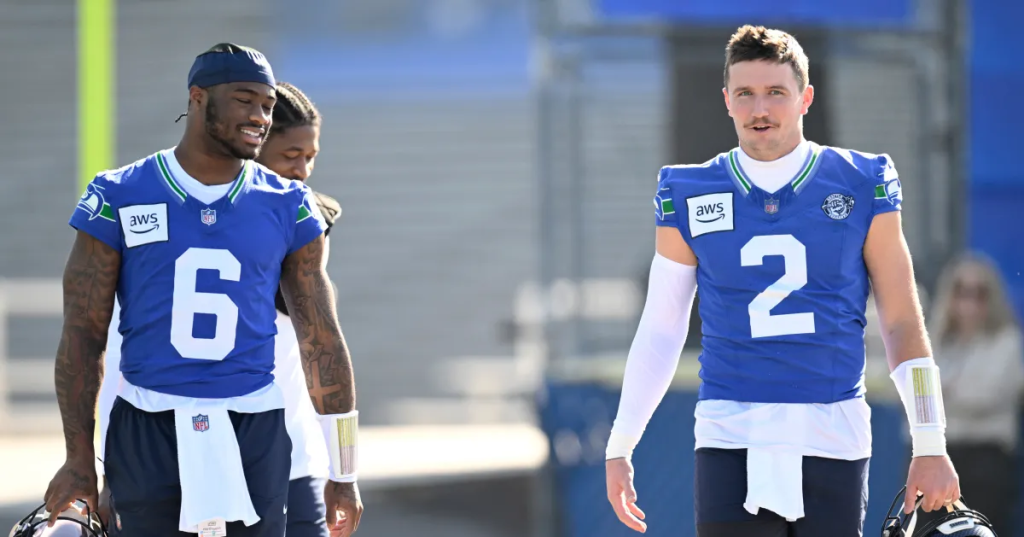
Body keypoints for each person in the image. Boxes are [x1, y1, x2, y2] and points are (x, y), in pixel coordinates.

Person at [604, 25, 960, 536]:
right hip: (730, 433)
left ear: (805, 98)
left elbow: (903, 321)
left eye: (775, 92)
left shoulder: (861, 181)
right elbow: (662, 327)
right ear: (726, 100)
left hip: (832, 432)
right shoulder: (689, 191)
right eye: (745, 93)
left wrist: (931, 441)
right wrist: (621, 442)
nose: (760, 109)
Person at [42, 43, 363, 537]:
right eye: (245, 100)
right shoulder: (118, 193)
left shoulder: (290, 203)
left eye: (267, 105)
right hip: (147, 420)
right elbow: (83, 335)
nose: (259, 117)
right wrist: (79, 457)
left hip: (253, 422)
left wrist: (344, 471)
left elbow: (321, 340)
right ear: (198, 98)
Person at [913, 253, 1024, 534]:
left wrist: (942, 393)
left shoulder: (1007, 341)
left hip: (985, 461)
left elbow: (986, 396)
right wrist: (947, 392)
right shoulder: (934, 339)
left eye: (979, 293)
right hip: (934, 458)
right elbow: (914, 396)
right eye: (961, 291)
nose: (969, 302)